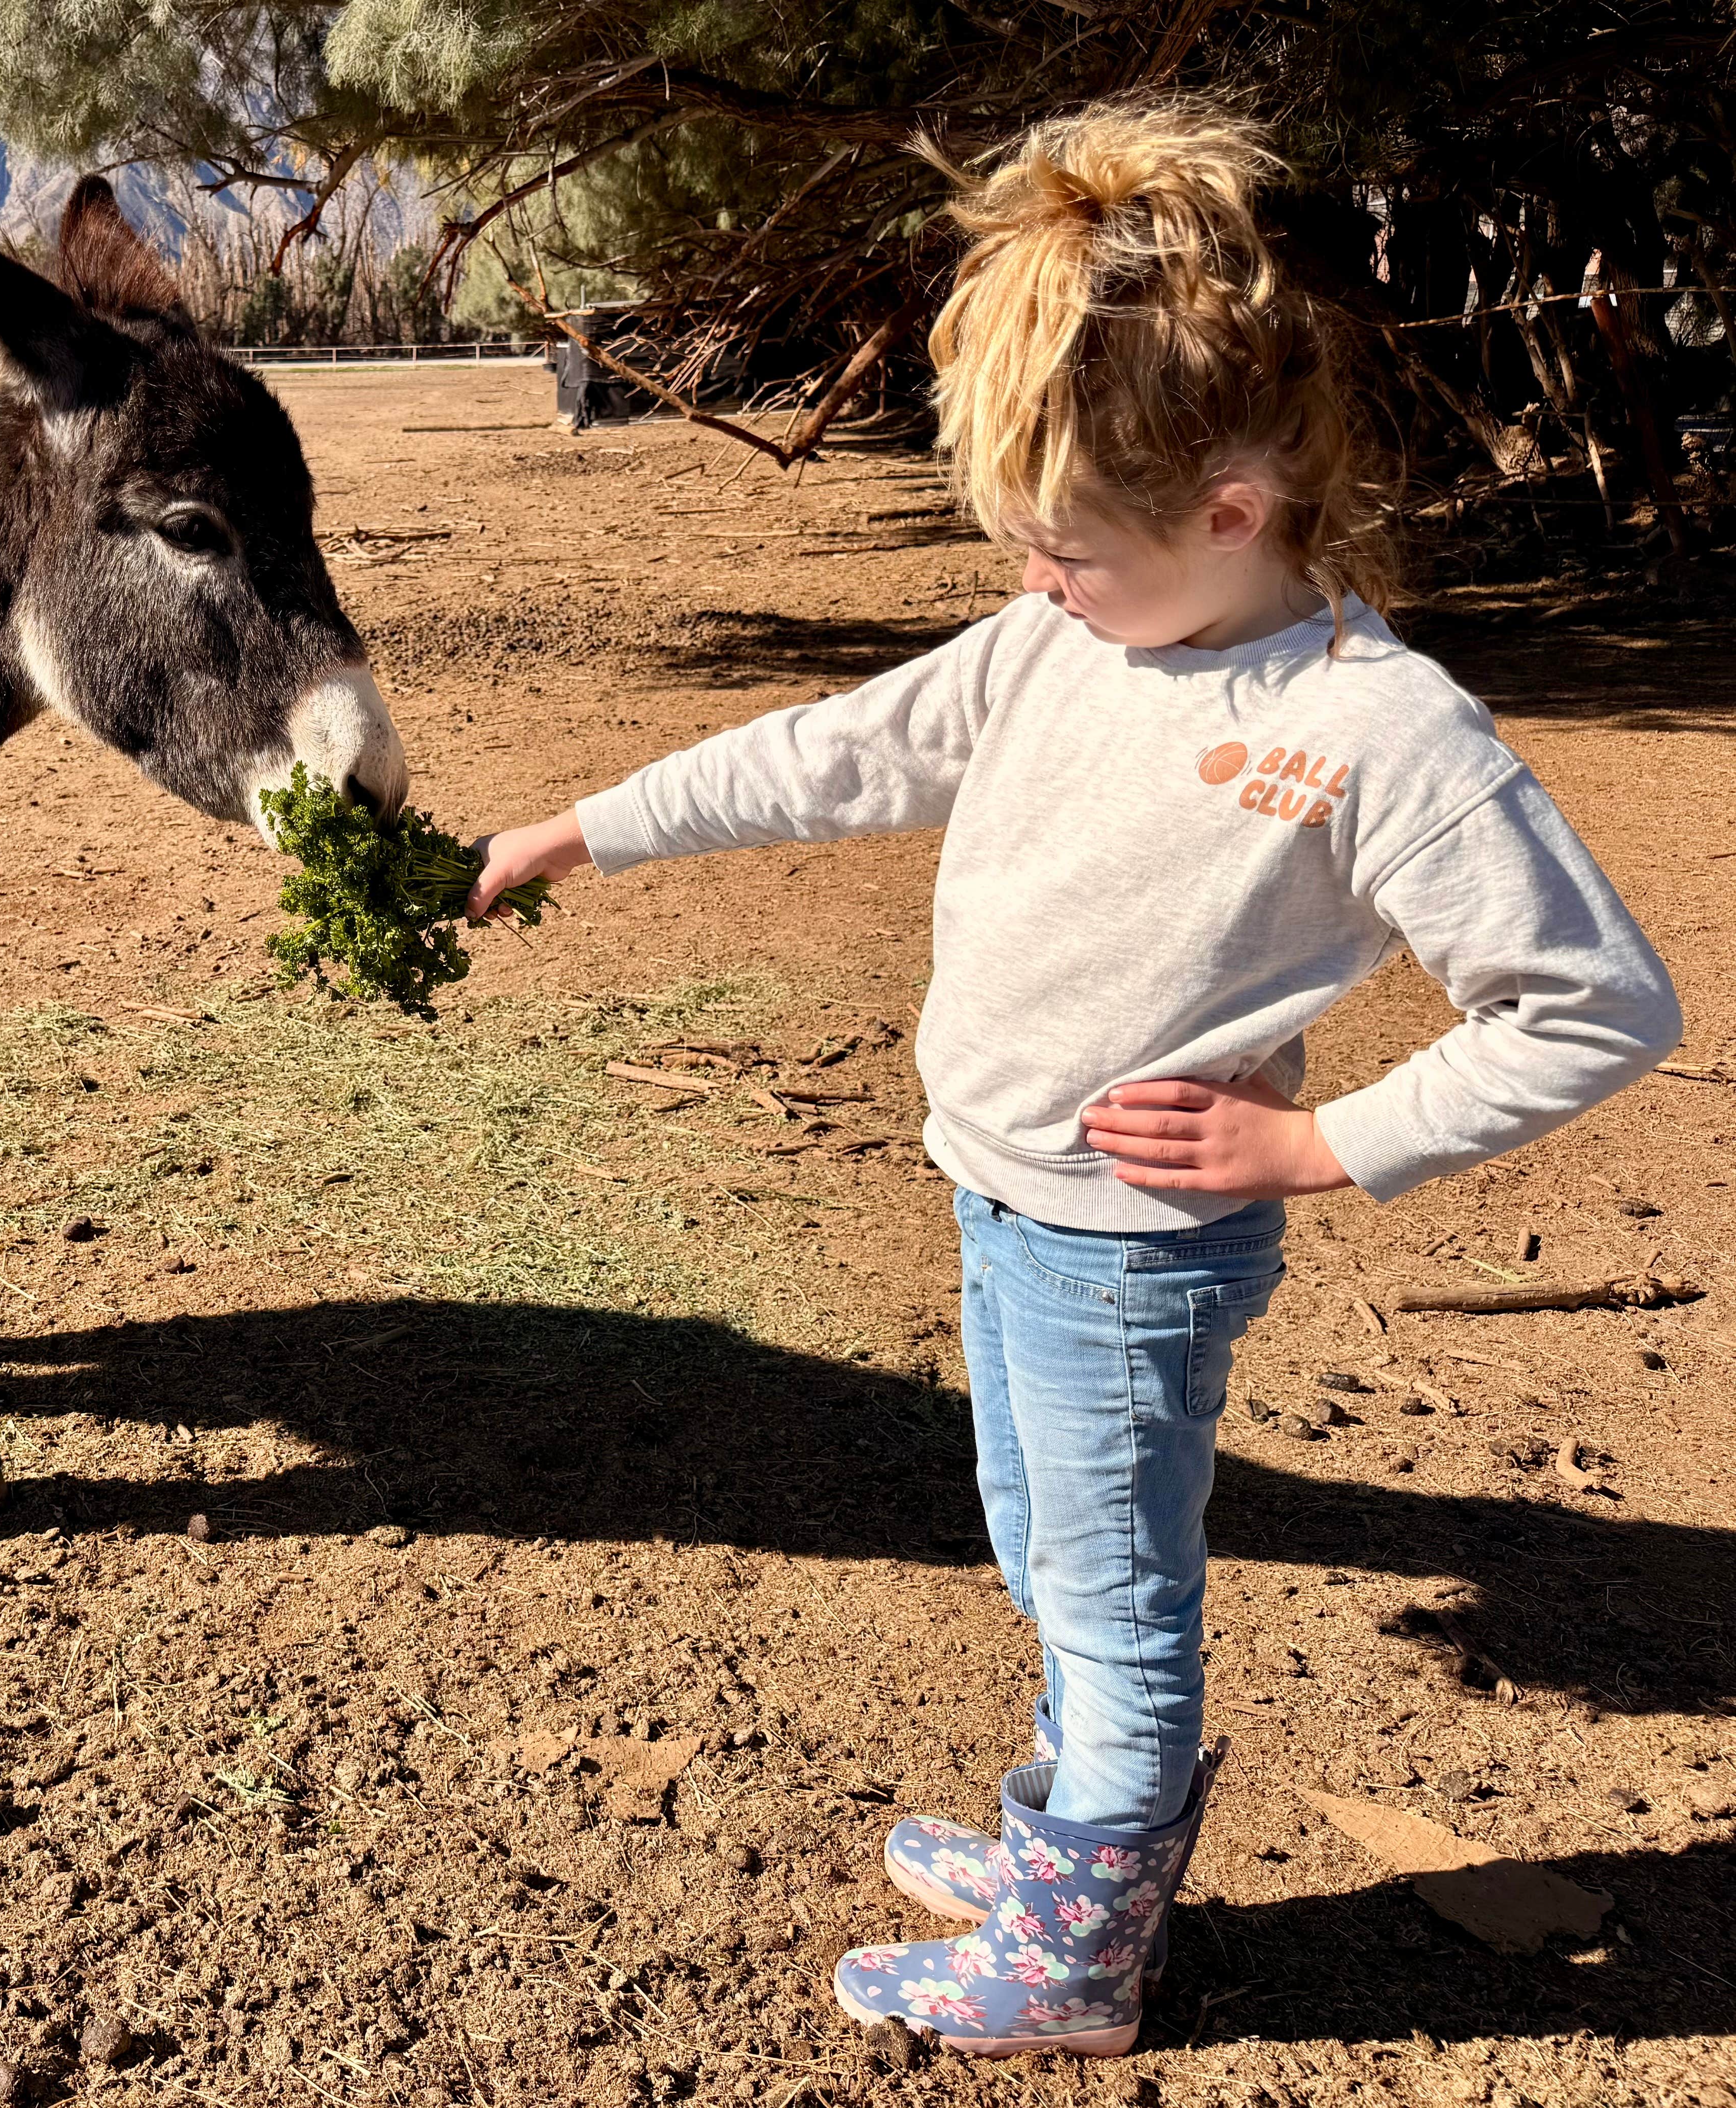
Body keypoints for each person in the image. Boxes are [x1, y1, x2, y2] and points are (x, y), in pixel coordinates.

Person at [467, 98, 1678, 2058]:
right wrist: (585, 825)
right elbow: (831, 751)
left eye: (1066, 551)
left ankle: (1072, 1955)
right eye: (1014, 548)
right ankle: (1067, 1842)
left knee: (1112, 1600)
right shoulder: (1056, 648)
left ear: (1231, 503)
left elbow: (1593, 1003)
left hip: (1136, 1251)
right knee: (1043, 1544)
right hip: (999, 1196)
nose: (1033, 586)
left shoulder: (1370, 729)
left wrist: (1317, 1138)